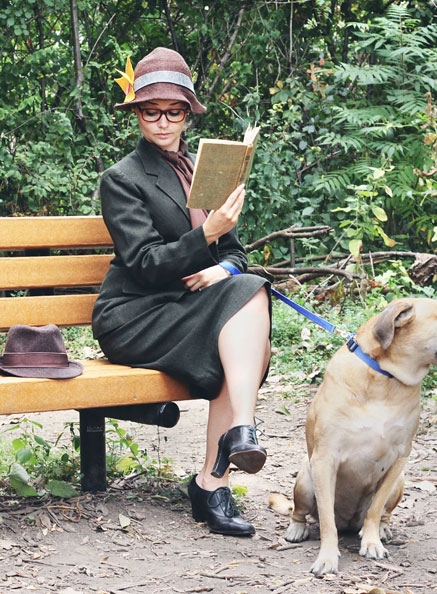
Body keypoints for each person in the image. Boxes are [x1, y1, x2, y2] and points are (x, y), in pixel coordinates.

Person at [91, 47, 272, 536]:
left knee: (246, 291)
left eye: (174, 112)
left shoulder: (204, 170)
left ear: (188, 115)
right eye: (152, 112)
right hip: (135, 314)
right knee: (241, 313)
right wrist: (206, 236)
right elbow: (146, 265)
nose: (163, 122)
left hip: (189, 305)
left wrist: (223, 269)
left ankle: (216, 478)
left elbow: (237, 254)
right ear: (137, 115)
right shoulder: (122, 179)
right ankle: (235, 446)